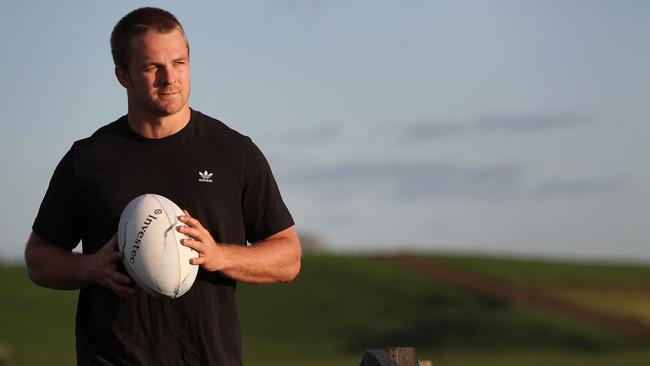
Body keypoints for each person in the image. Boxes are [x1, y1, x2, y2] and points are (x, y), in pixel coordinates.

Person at [24, 7, 301, 365]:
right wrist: (90, 267)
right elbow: (38, 259)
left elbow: (288, 258)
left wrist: (219, 255)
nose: (170, 78)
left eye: (179, 62)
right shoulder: (89, 159)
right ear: (122, 75)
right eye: (152, 67)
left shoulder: (233, 152)